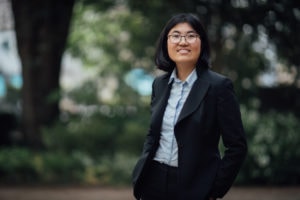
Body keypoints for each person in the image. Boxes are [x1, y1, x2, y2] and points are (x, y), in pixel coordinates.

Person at [132, 13, 247, 200]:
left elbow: (237, 146)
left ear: (201, 43)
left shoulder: (219, 86)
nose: (183, 42)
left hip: (194, 188)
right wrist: (141, 174)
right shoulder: (159, 85)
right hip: (153, 183)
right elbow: (153, 134)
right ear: (166, 43)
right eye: (175, 36)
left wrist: (214, 189)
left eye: (191, 35)